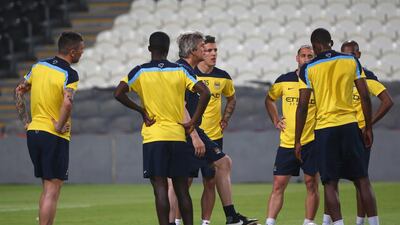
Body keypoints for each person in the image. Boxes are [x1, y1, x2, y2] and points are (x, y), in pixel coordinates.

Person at [114, 31, 211, 225]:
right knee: (182, 189)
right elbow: (205, 92)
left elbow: (118, 93)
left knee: (160, 187)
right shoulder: (180, 70)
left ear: (150, 49)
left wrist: (141, 110)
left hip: (154, 137)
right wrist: (193, 121)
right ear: (168, 50)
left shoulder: (140, 71)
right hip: (177, 136)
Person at [169, 31, 258, 225]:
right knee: (178, 181)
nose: (208, 51)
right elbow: (179, 105)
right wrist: (194, 134)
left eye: (212, 49)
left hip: (193, 130)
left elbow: (229, 99)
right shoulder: (179, 70)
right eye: (204, 47)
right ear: (193, 50)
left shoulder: (190, 70)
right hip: (181, 131)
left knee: (221, 165)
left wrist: (219, 121)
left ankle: (228, 217)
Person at [295, 28, 379, 225]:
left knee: (330, 183)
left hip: (325, 130)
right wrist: (367, 127)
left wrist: (298, 140)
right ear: (331, 42)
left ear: (315, 46)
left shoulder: (309, 68)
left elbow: (302, 107)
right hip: (350, 125)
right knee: (362, 180)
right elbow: (365, 97)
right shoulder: (351, 61)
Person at [14, 31, 84, 225]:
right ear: (72, 52)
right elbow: (68, 103)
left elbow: (19, 90)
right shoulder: (70, 73)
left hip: (34, 131)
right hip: (53, 135)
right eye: (81, 50)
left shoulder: (38, 66)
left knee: (46, 187)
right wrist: (59, 125)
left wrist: (26, 122)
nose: (82, 54)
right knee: (53, 190)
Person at [321, 40, 394, 225]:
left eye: (352, 54)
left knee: (360, 180)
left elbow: (387, 101)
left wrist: (368, 124)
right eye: (346, 54)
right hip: (341, 129)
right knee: (332, 179)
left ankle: (361, 221)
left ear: (359, 55)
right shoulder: (339, 76)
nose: (349, 57)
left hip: (360, 134)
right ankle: (327, 221)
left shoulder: (367, 76)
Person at [264, 45, 319, 225]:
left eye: (310, 56)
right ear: (297, 58)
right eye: (303, 55)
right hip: (287, 142)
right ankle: (270, 222)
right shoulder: (284, 80)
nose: (306, 59)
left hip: (311, 141)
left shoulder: (319, 81)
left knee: (311, 184)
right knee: (278, 185)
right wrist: (275, 119)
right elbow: (270, 99)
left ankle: (308, 222)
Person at [192, 35, 237, 225]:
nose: (213, 54)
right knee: (182, 182)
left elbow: (232, 99)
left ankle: (205, 222)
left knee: (209, 182)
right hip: (192, 137)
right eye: (209, 50)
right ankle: (176, 221)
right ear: (201, 52)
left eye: (215, 50)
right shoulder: (189, 74)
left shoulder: (223, 76)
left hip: (214, 137)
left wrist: (225, 119)